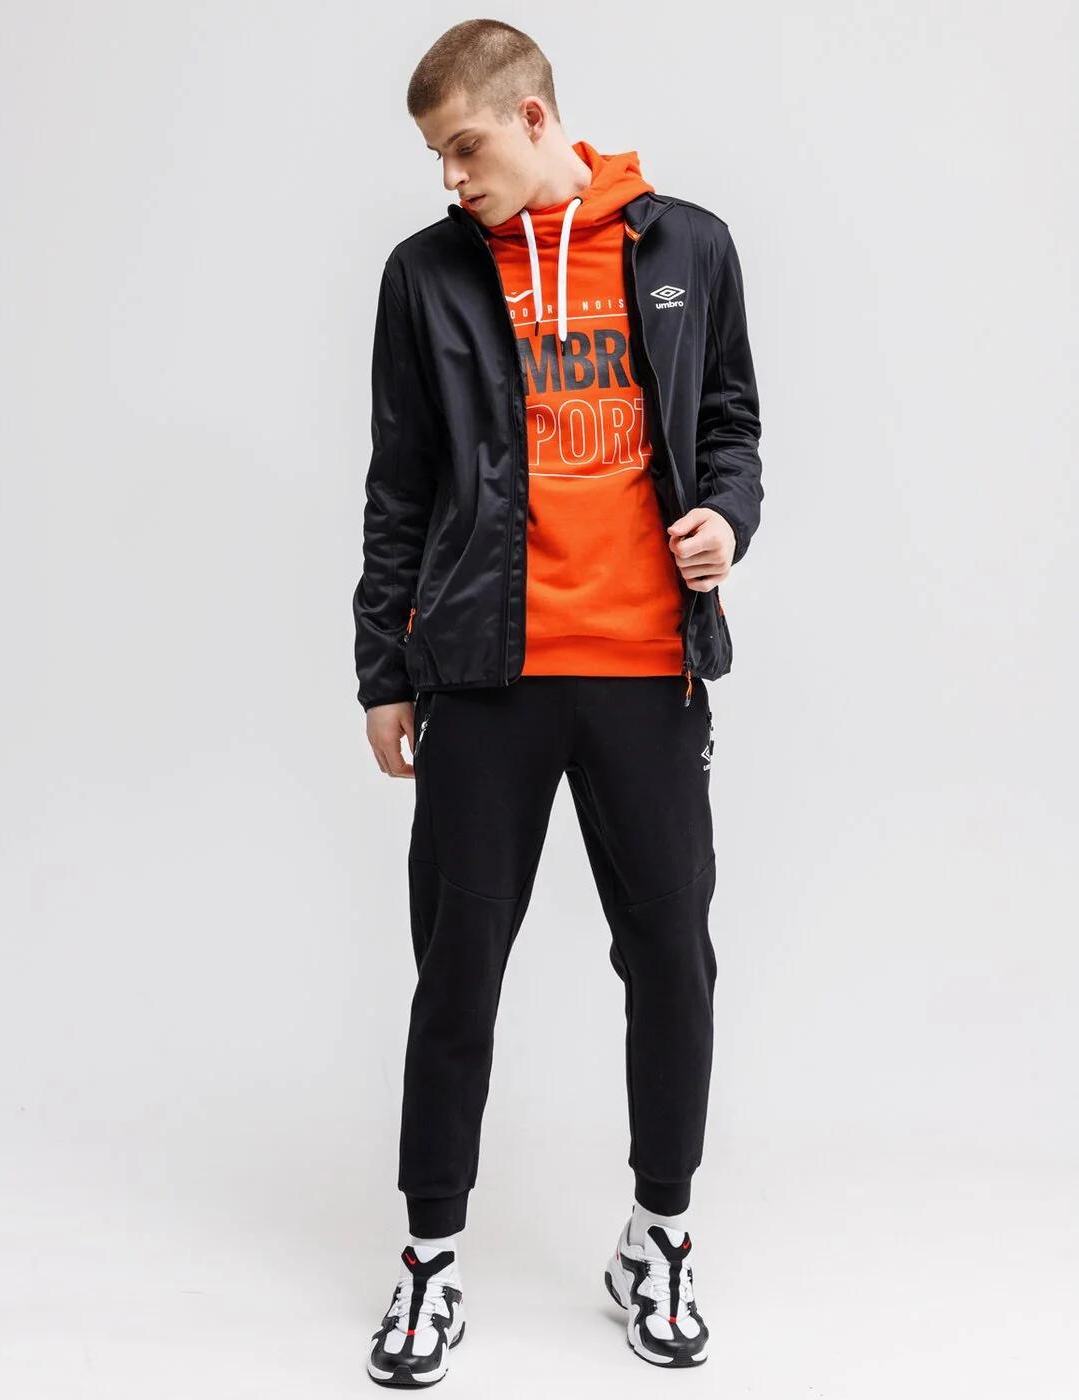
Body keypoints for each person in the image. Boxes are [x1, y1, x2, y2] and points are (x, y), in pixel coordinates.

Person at [354, 19, 763, 1386]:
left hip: (648, 673)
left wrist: (726, 520)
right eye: (436, 156)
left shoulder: (687, 247)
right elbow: (400, 482)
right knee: (457, 973)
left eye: (464, 147)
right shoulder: (424, 276)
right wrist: (383, 667)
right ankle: (429, 1260)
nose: (449, 177)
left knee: (673, 964)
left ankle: (659, 1236)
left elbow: (731, 430)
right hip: (485, 677)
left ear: (535, 119)